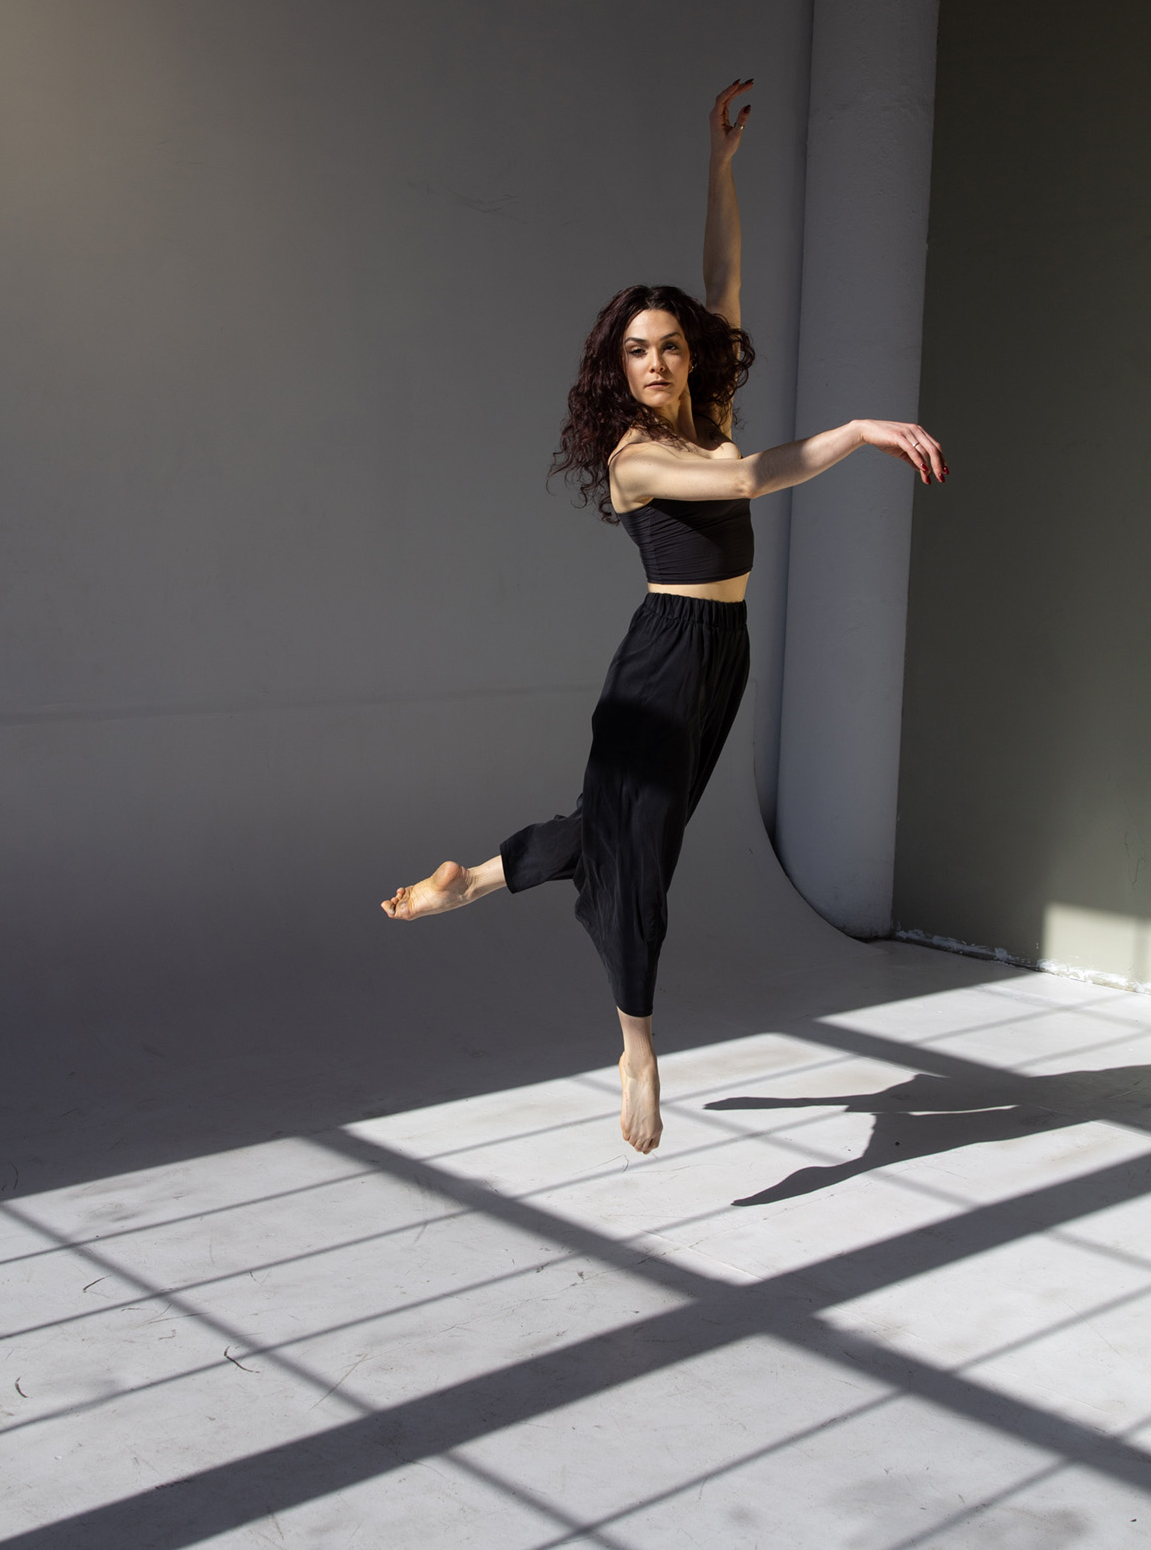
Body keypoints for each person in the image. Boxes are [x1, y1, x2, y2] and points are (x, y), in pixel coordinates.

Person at [382, 79, 948, 1156]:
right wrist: (859, 430)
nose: (656, 361)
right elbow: (743, 485)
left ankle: (477, 876)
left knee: (626, 829)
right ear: (620, 368)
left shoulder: (711, 410)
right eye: (637, 350)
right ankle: (636, 1042)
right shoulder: (636, 456)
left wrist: (720, 167)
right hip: (662, 659)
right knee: (640, 851)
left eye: (669, 345)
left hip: (724, 653)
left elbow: (724, 279)